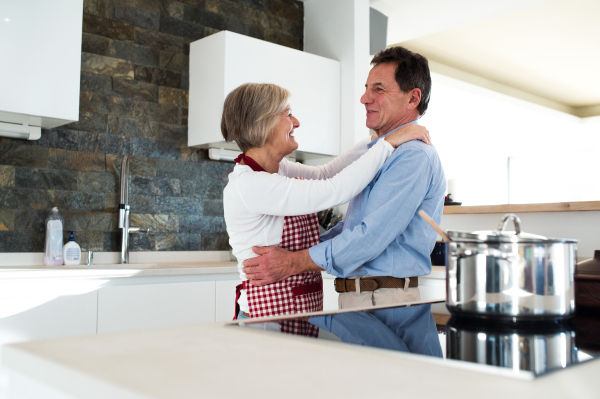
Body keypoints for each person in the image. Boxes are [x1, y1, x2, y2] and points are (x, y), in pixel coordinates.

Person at [242, 46, 446, 311]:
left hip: (384, 299)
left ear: (412, 98)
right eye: (366, 87)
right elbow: (353, 224)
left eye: (379, 89)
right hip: (368, 296)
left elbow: (369, 237)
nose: (364, 98)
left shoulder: (413, 156)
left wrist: (293, 262)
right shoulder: (382, 150)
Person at [221, 82, 431, 336]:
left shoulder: (278, 168)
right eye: (287, 114)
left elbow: (326, 174)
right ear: (262, 124)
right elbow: (335, 189)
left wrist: (377, 141)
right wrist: (388, 144)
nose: (296, 122)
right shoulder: (251, 184)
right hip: (266, 321)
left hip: (297, 311)